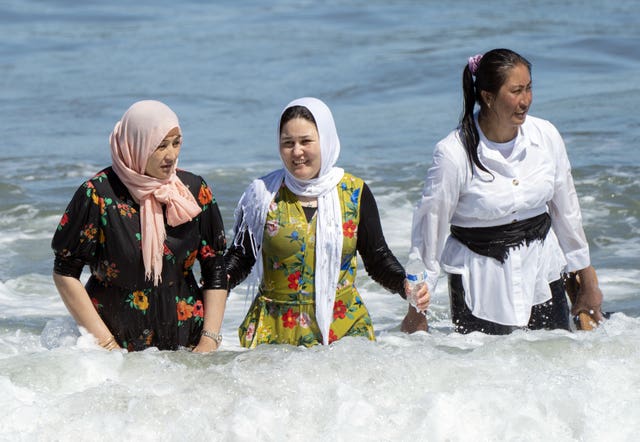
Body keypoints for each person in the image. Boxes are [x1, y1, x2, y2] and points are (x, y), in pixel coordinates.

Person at [403, 48, 604, 334]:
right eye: (516, 91)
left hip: (542, 275)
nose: (526, 101)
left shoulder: (546, 136)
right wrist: (417, 310)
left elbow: (566, 211)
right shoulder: (453, 153)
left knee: (558, 363)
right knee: (487, 373)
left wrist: (588, 281)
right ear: (488, 96)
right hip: (480, 282)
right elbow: (429, 232)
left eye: (529, 88)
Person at [226, 97, 429, 348]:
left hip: (344, 331)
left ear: (326, 139)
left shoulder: (354, 192)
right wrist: (214, 285)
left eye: (306, 141)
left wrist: (404, 285)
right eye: (288, 143)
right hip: (275, 333)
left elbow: (377, 258)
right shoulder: (261, 194)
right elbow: (240, 258)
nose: (297, 151)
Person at [52, 100, 228, 352]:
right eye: (160, 146)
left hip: (188, 349)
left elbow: (215, 266)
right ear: (136, 144)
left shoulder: (193, 190)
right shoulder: (98, 195)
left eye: (176, 143)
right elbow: (65, 272)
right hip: (116, 354)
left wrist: (209, 341)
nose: (172, 155)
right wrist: (107, 346)